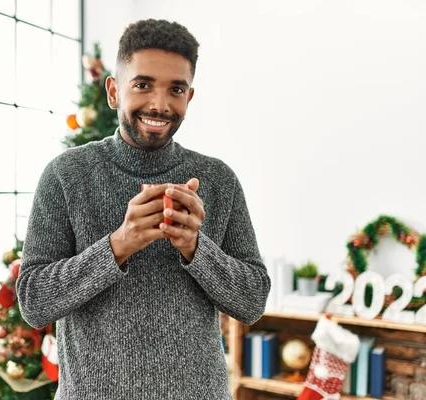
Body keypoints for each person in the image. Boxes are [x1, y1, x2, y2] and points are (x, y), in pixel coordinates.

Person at [16, 18, 271, 400]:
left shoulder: (218, 180)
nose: (160, 104)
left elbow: (252, 302)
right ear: (114, 91)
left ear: (189, 97)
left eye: (176, 89)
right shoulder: (66, 175)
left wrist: (196, 248)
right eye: (143, 84)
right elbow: (34, 302)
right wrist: (118, 245)